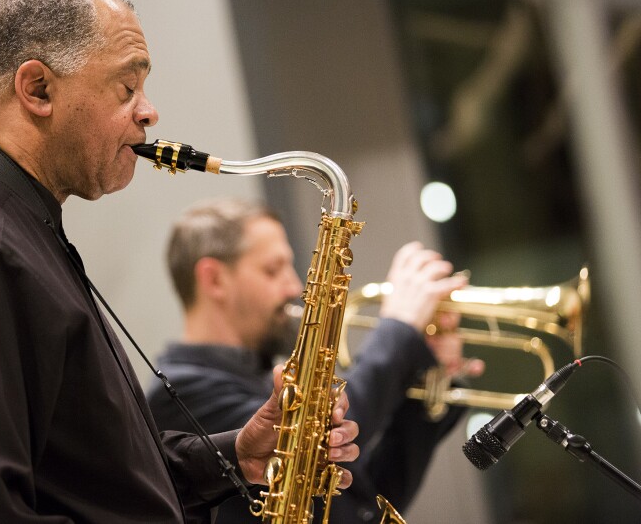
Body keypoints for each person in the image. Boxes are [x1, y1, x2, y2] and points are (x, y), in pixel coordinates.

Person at [0, 0, 360, 523]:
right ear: (37, 88)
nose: (149, 112)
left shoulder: (11, 227)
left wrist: (233, 456)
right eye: (127, 87)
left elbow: (89, 479)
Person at [146, 198, 482, 523]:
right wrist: (400, 328)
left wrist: (425, 374)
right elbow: (307, 442)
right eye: (272, 269)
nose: (294, 285)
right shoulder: (180, 395)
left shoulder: (262, 376)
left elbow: (359, 507)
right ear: (213, 279)